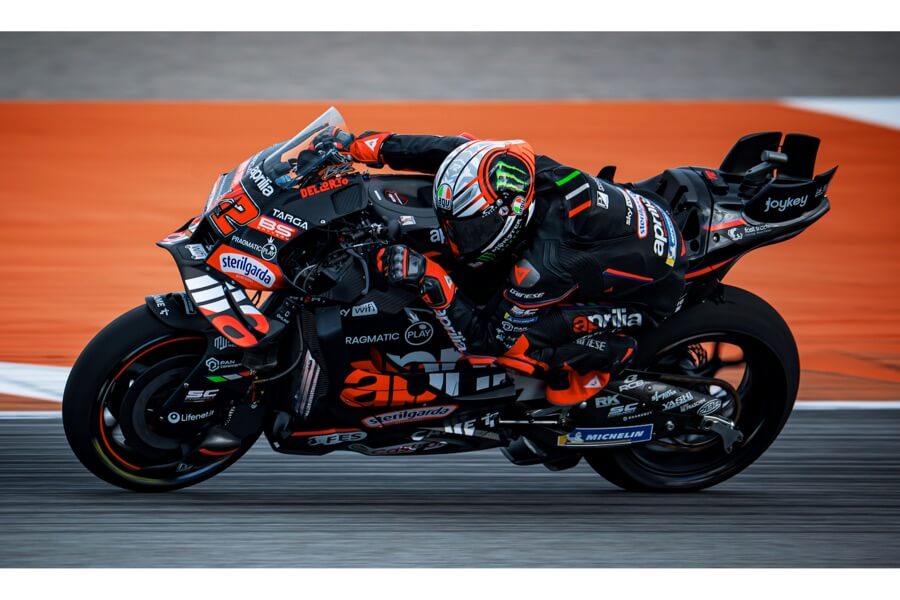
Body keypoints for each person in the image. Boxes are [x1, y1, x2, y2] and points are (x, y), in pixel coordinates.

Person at [311, 128, 687, 406]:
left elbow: (484, 342)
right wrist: (357, 145)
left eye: (470, 229)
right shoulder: (506, 166)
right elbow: (446, 150)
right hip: (621, 230)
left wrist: (433, 278)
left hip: (643, 299)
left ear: (509, 216)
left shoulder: (542, 267)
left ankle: (601, 359)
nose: (455, 238)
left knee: (516, 348)